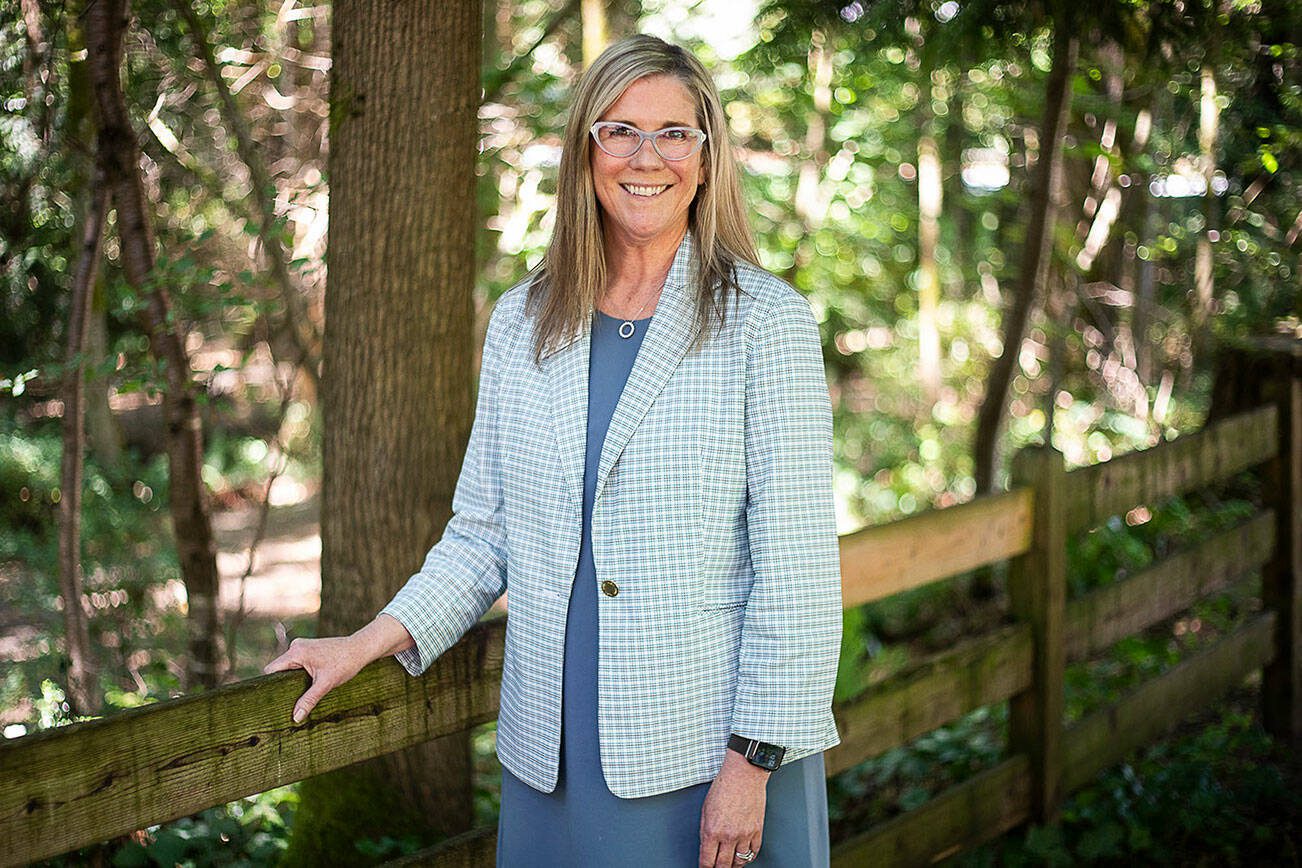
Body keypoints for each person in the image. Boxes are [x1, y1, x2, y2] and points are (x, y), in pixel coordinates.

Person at [263, 34, 842, 867]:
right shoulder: (524, 319)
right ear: (586, 151)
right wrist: (367, 643)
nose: (648, 156)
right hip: (553, 753)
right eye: (621, 131)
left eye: (675, 133)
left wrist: (751, 764)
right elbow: (481, 537)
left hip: (711, 752)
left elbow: (798, 573)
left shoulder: (765, 324)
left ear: (707, 158)